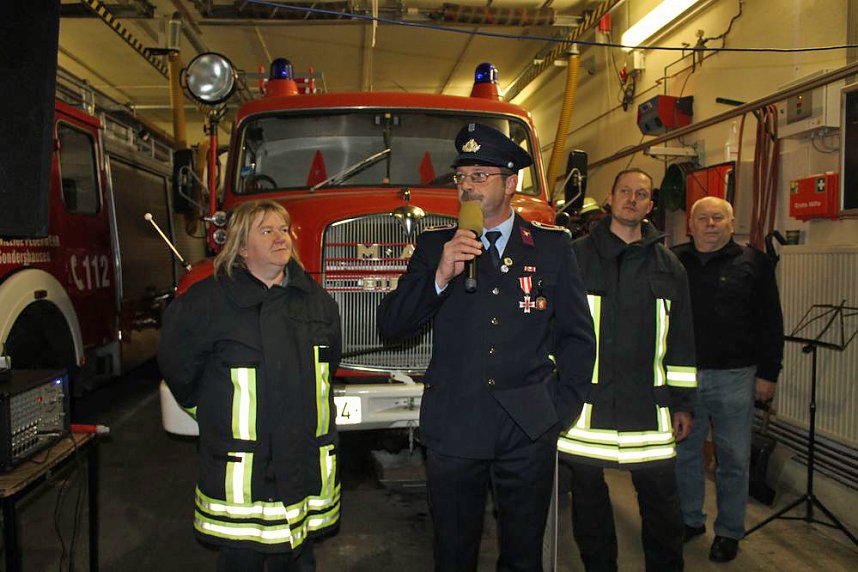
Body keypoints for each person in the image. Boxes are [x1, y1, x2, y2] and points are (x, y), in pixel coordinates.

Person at [377, 122, 596, 571]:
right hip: (455, 424)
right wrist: (441, 275)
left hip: (528, 426)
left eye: (480, 176)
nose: (467, 187)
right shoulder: (436, 246)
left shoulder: (551, 248)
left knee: (523, 554)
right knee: (454, 552)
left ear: (510, 184)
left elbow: (577, 336)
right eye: (462, 177)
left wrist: (560, 410)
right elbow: (392, 324)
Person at [158, 200, 342, 572]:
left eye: (283, 229)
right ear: (242, 247)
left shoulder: (318, 302)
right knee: (240, 560)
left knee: (298, 559)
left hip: (302, 466)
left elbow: (329, 364)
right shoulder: (206, 303)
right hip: (244, 478)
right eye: (267, 231)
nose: (281, 238)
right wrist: (215, 414)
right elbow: (179, 368)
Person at [557, 168, 697, 572]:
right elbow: (553, 330)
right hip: (586, 410)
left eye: (641, 193)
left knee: (662, 506)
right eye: (625, 191)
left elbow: (681, 341)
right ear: (610, 197)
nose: (632, 199)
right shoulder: (574, 258)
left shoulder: (670, 267)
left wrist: (683, 403)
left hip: (648, 410)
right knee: (588, 505)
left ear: (650, 205)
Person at [673, 196, 784, 563]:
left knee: (734, 458)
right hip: (684, 376)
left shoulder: (754, 263)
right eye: (703, 218)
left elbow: (771, 320)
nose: (710, 224)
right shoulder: (673, 261)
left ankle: (729, 531)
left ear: (731, 224)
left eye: (718, 218)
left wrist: (768, 374)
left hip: (736, 376)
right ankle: (690, 519)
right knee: (684, 454)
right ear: (690, 225)